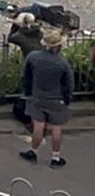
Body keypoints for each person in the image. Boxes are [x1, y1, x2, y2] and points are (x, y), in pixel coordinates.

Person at [18, 30, 71, 170]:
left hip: (37, 96)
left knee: (38, 125)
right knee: (56, 128)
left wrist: (28, 92)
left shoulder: (33, 57)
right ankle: (55, 157)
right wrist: (67, 99)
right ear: (59, 45)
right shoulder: (62, 63)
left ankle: (33, 152)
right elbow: (68, 84)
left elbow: (26, 77)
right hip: (56, 98)